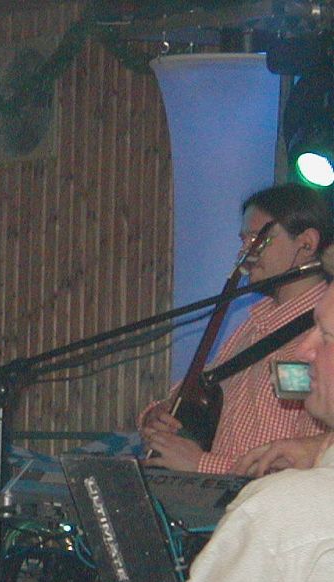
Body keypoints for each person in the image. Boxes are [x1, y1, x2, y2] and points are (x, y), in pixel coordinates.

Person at [152, 253, 334, 582]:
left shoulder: (281, 513)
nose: (305, 350)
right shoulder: (250, 325)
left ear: (305, 243)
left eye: (325, 336)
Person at [141, 183, 330, 474]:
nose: (245, 251)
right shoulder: (254, 324)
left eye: (258, 239)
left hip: (270, 502)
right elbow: (205, 384)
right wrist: (158, 413)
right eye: (244, 240)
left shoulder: (324, 341)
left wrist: (201, 464)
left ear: (306, 243)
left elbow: (313, 466)